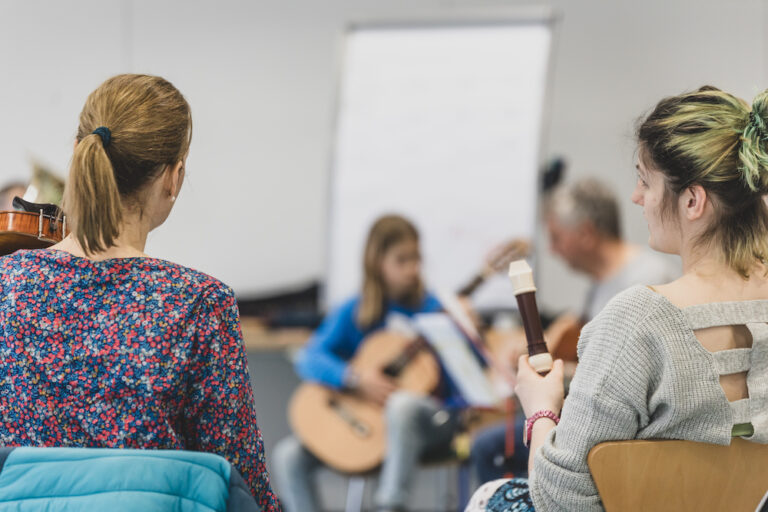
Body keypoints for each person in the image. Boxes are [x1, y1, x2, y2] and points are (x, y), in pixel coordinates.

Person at [466, 85, 768, 511]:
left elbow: (559, 500)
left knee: (491, 497)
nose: (636, 197)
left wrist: (541, 409)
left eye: (645, 180)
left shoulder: (639, 319)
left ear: (693, 200)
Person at [0, 74, 280, 511]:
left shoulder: (6, 284)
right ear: (174, 177)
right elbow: (241, 483)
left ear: (78, 155)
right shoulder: (198, 304)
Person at [470, 177, 679, 484]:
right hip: (600, 417)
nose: (552, 250)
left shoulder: (644, 281)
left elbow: (627, 383)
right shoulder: (605, 284)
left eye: (556, 237)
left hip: (624, 432)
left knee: (489, 447)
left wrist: (554, 374)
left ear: (586, 234)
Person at [273, 215, 473, 512]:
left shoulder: (435, 310)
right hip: (369, 425)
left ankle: (389, 505)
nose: (412, 269)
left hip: (431, 420)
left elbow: (467, 379)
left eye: (416, 258)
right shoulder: (355, 310)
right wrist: (354, 378)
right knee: (287, 455)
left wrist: (466, 332)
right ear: (377, 262)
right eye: (401, 260)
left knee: (402, 405)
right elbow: (309, 357)